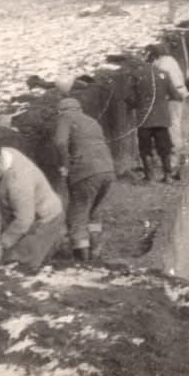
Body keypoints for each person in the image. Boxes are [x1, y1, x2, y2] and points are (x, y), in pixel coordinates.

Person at [0, 139, 67, 272]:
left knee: (17, 266)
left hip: (45, 219)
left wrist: (3, 243)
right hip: (25, 213)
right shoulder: (7, 153)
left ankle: (57, 243)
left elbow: (24, 220)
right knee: (8, 257)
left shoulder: (18, 182)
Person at [53, 97, 115, 262]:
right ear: (79, 108)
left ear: (61, 111)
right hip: (107, 168)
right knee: (94, 210)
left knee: (78, 213)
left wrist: (65, 165)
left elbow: (60, 142)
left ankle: (83, 260)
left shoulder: (65, 117)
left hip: (85, 170)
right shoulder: (92, 121)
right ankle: (96, 250)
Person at [127, 63, 184, 183]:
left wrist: (134, 104)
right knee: (164, 147)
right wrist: (179, 96)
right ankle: (168, 175)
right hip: (162, 118)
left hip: (145, 119)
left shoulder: (136, 76)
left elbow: (131, 100)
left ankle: (149, 177)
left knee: (145, 148)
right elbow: (175, 95)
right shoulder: (164, 73)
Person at [147, 43, 189, 179]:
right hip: (180, 92)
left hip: (172, 96)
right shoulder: (171, 60)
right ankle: (177, 156)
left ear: (154, 55)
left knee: (172, 127)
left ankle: (174, 160)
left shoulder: (161, 66)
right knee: (176, 124)